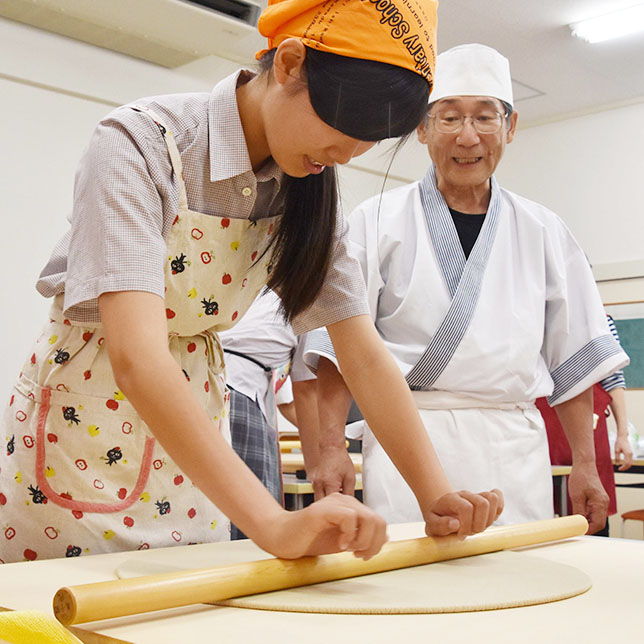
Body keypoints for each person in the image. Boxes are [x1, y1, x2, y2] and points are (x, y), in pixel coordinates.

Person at [0, 0, 501, 565]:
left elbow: (361, 352)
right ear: (289, 63)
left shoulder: (309, 183)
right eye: (343, 129)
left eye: (368, 142)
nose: (347, 155)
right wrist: (272, 523)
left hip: (195, 443)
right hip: (81, 434)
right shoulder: (141, 143)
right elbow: (137, 356)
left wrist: (435, 494)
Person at [303, 43, 629, 533]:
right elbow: (335, 348)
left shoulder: (544, 231)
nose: (468, 136)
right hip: (407, 439)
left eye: (485, 118)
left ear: (511, 127)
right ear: (421, 127)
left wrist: (585, 461)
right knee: (416, 589)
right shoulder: (375, 221)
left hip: (513, 447)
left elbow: (573, 355)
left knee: (516, 581)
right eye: (449, 118)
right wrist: (329, 447)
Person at [218, 289, 316, 539]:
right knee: (251, 529)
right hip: (239, 398)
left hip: (191, 383)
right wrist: (324, 457)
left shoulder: (242, 288)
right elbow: (305, 393)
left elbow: (289, 404)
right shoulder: (304, 299)